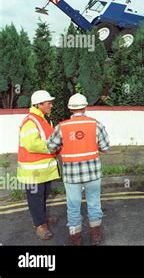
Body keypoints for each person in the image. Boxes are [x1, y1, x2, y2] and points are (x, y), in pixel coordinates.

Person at [47, 93, 110, 246]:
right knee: (94, 203)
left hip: (71, 175)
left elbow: (50, 147)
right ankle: (95, 237)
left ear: (70, 109)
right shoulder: (96, 124)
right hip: (93, 173)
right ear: (85, 107)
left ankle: (76, 239)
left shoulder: (61, 127)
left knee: (73, 206)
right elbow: (105, 147)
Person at [17, 90, 60, 240]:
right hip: (33, 171)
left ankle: (42, 219)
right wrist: (53, 147)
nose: (51, 105)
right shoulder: (30, 121)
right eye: (48, 103)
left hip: (44, 170)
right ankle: (40, 225)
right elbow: (32, 144)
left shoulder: (45, 120)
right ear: (39, 104)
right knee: (35, 198)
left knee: (43, 195)